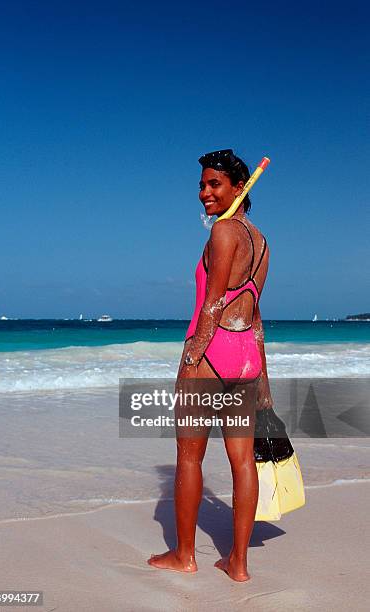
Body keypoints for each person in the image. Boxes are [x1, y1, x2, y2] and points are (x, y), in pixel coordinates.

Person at [147, 149, 272, 582]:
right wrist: (265, 378)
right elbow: (254, 317)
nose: (204, 193)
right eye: (202, 185)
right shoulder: (260, 242)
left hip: (211, 354)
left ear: (239, 188)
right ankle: (238, 563)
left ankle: (185, 555)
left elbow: (213, 304)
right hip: (245, 360)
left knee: (188, 458)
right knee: (242, 462)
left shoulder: (223, 233)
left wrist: (189, 362)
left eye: (214, 184)